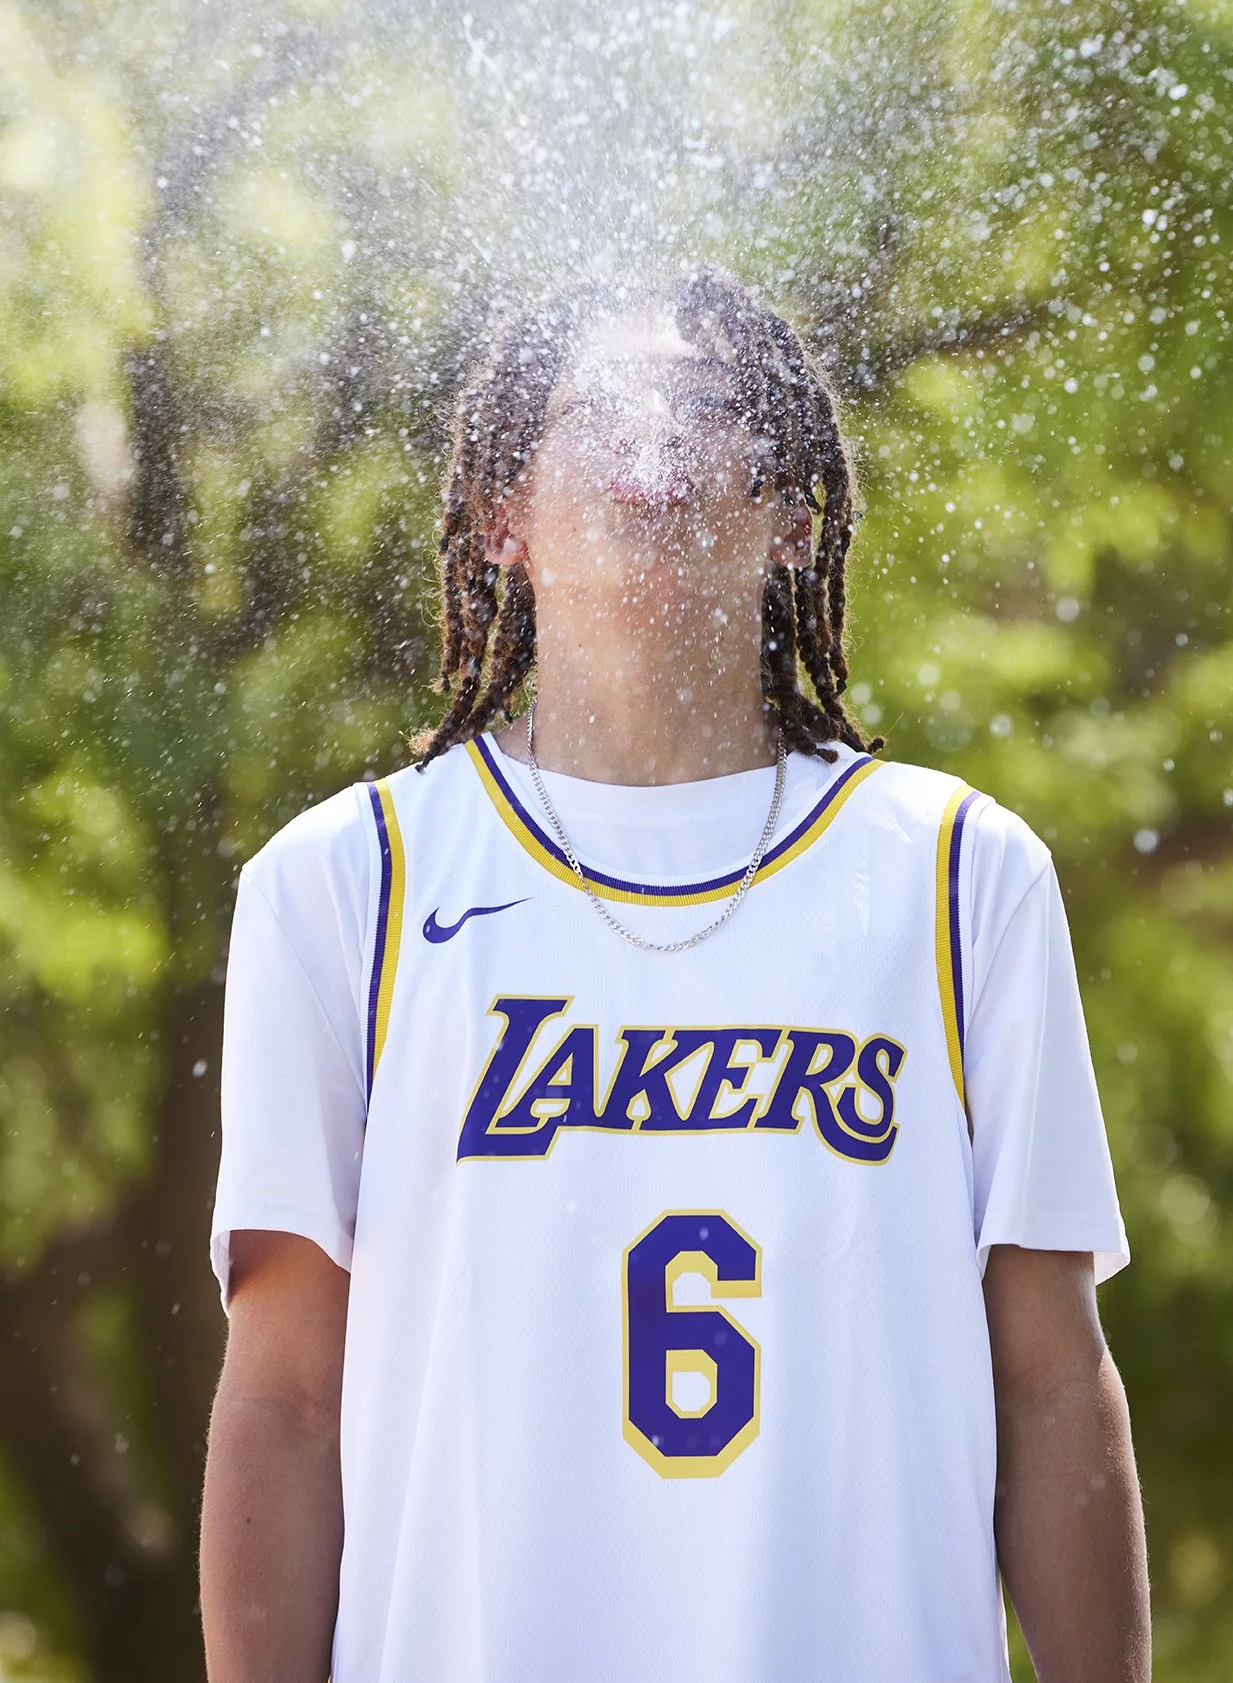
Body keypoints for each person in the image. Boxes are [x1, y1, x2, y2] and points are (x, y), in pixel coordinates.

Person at [200, 268, 1150, 1682]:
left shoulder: (956, 874)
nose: (659, 440)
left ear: (789, 519)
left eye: (715, 406)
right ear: (499, 519)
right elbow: (282, 1400)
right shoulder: (346, 884)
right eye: (597, 406)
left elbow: (1052, 1381)